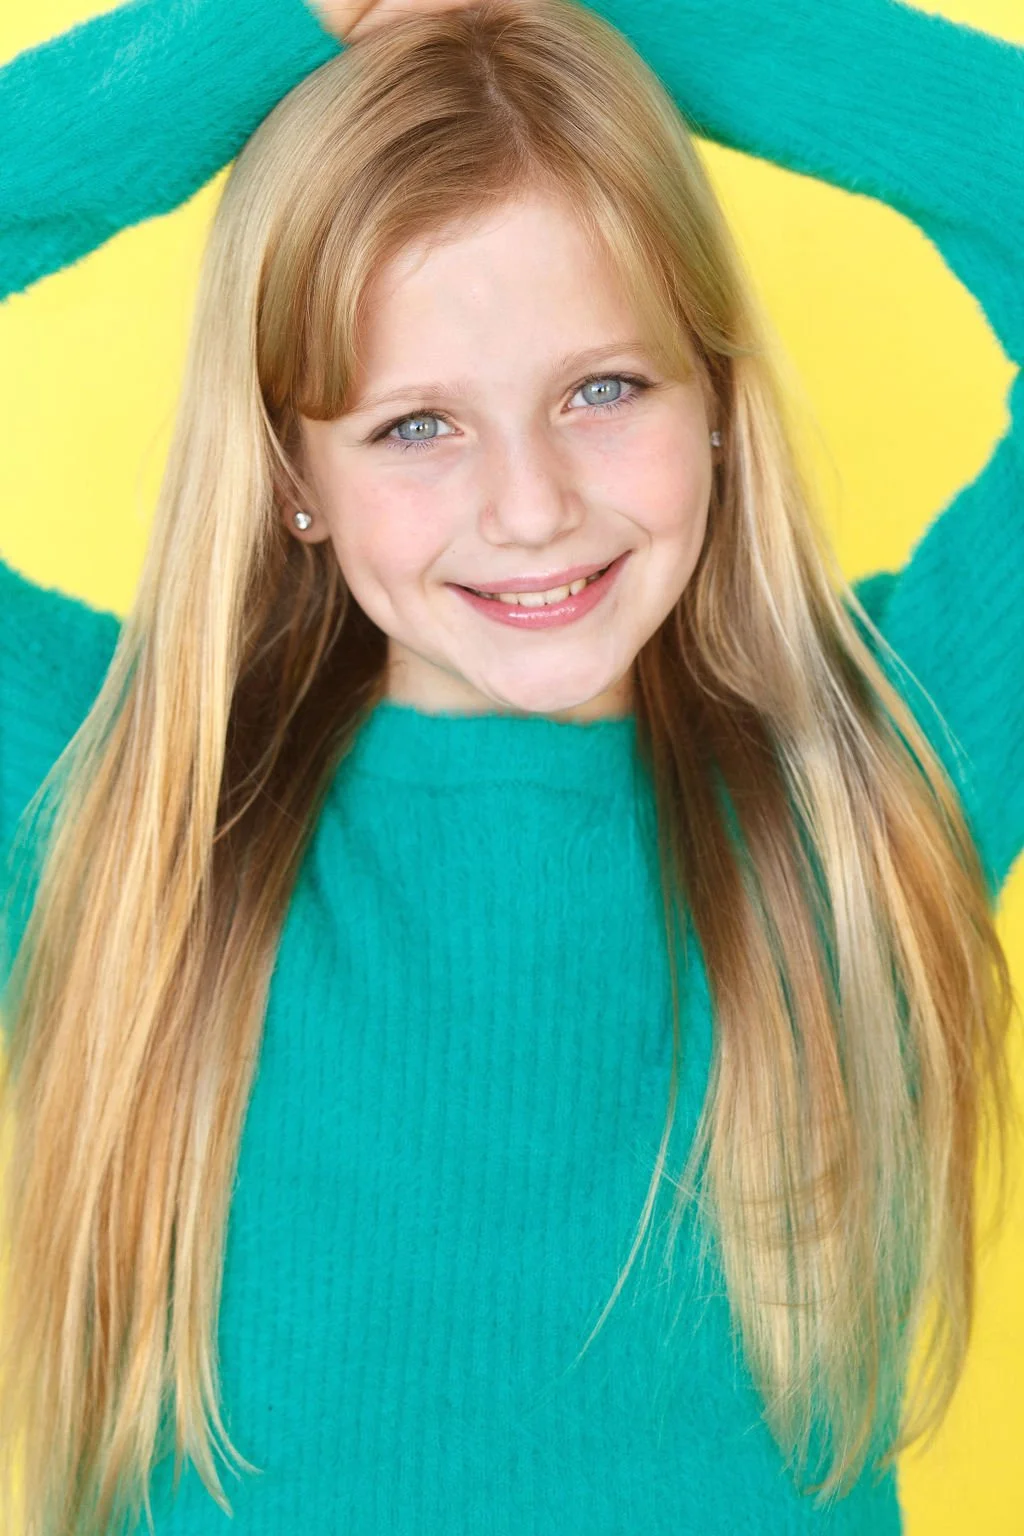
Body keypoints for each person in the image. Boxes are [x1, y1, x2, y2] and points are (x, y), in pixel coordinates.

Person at [0, 0, 1021, 1531]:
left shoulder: (865, 774)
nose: (532, 507)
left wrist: (618, 20)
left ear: (716, 399)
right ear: (293, 475)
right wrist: (274, 22)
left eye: (603, 390)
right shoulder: (123, 807)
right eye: (417, 425)